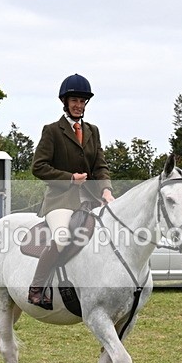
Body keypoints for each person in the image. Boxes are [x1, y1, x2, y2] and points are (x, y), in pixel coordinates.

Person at [27, 73, 115, 309]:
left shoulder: (92, 131)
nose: (78, 105)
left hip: (91, 199)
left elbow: (100, 166)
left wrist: (106, 190)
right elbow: (38, 167)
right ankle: (36, 288)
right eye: (74, 100)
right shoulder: (52, 131)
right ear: (65, 102)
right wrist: (69, 179)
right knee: (63, 236)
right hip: (61, 200)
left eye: (82, 101)